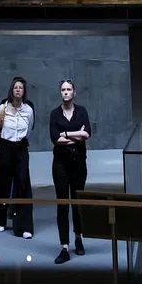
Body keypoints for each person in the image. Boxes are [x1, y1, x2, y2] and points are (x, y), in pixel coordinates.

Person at [49, 80, 90, 265]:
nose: (66, 92)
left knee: (77, 202)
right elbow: (55, 139)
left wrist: (65, 134)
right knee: (63, 204)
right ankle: (64, 246)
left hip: (79, 163)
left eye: (69, 90)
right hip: (60, 165)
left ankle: (78, 238)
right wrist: (75, 135)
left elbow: (87, 133)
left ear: (74, 92)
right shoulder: (54, 114)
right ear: (61, 93)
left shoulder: (82, 111)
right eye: (63, 90)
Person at [0, 77, 34, 238]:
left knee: (23, 184)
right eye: (15, 87)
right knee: (2, 183)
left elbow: (29, 130)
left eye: (20, 88)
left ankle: (24, 226)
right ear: (11, 90)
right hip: (5, 148)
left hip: (21, 148)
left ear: (24, 91)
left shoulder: (28, 110)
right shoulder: (3, 108)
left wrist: (20, 141)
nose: (18, 90)